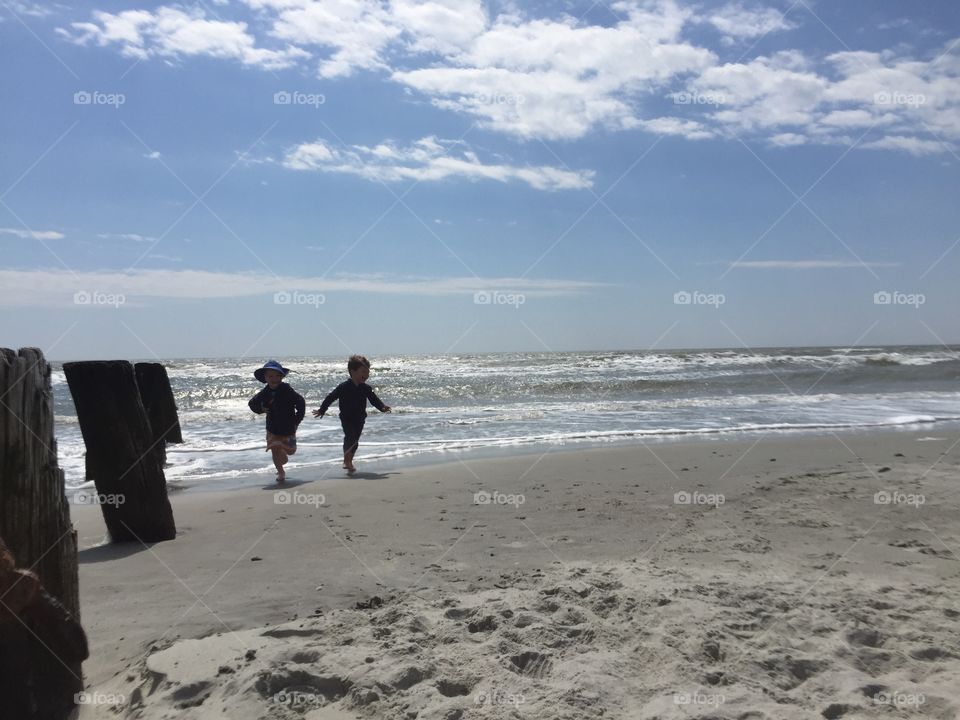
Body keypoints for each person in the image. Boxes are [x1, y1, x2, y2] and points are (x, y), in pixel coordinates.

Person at [313, 355, 391, 473]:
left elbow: (374, 400)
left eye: (368, 372)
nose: (366, 375)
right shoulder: (343, 387)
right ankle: (347, 461)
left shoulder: (366, 388)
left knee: (355, 441)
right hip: (347, 418)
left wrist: (382, 407)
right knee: (350, 437)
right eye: (363, 372)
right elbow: (330, 397)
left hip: (360, 418)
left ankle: (349, 460)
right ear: (353, 371)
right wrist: (322, 410)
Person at [249, 360, 305, 483]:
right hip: (272, 428)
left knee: (290, 452)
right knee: (274, 449)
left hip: (288, 426)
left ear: (281, 377)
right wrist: (261, 409)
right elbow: (252, 403)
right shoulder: (264, 393)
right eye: (270, 376)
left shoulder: (287, 390)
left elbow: (301, 402)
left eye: (277, 376)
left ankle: (283, 453)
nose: (274, 379)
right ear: (265, 378)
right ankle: (281, 472)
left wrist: (297, 420)